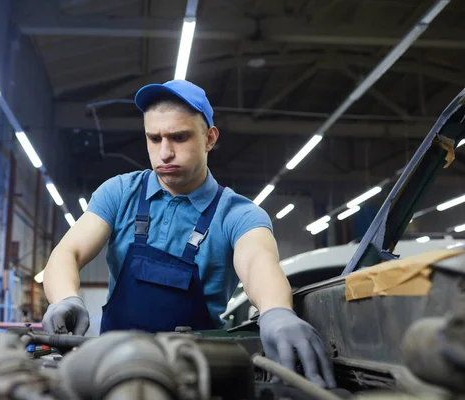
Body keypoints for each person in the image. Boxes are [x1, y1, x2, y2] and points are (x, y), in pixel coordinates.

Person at [41, 79, 336, 388]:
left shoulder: (238, 214)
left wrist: (277, 311)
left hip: (199, 377)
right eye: (154, 139)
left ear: (209, 138)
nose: (164, 152)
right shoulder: (120, 193)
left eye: (179, 137)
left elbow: (258, 262)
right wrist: (64, 298)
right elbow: (68, 252)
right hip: (114, 369)